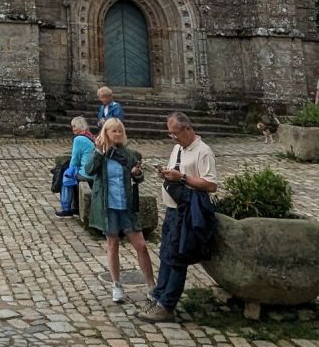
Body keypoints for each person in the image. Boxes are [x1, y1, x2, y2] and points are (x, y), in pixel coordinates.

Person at [142, 112, 218, 323]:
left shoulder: (203, 152)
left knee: (177, 257)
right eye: (170, 134)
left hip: (187, 212)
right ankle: (159, 296)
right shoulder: (177, 148)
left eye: (175, 133)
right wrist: (166, 174)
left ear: (187, 129)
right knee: (166, 253)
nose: (173, 138)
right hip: (172, 209)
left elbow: (211, 185)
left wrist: (183, 177)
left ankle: (167, 305)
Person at [85, 117, 155, 304]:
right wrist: (99, 152)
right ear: (105, 133)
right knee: (112, 245)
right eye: (113, 131)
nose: (117, 134)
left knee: (141, 245)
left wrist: (137, 174)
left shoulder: (130, 154)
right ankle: (116, 285)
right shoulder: (100, 153)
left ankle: (151, 285)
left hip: (126, 206)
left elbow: (138, 178)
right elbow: (89, 171)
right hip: (109, 207)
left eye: (119, 131)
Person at [57, 116, 94, 217]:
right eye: (72, 126)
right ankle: (75, 206)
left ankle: (67, 208)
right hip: (93, 171)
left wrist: (70, 170)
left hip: (86, 173)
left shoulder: (79, 139)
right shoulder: (90, 136)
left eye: (75, 126)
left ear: (81, 126)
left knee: (66, 176)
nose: (73, 129)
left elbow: (75, 159)